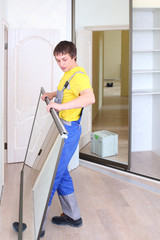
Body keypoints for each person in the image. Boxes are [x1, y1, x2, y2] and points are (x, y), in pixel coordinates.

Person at [41, 40, 95, 237]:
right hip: (63, 128)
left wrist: (59, 106)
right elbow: (66, 91)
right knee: (61, 172)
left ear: (74, 56)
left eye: (64, 59)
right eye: (58, 60)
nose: (61, 63)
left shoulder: (79, 75)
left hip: (70, 131)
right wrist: (52, 94)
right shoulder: (68, 74)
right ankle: (73, 217)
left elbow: (89, 98)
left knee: (53, 174)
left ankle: (38, 223)